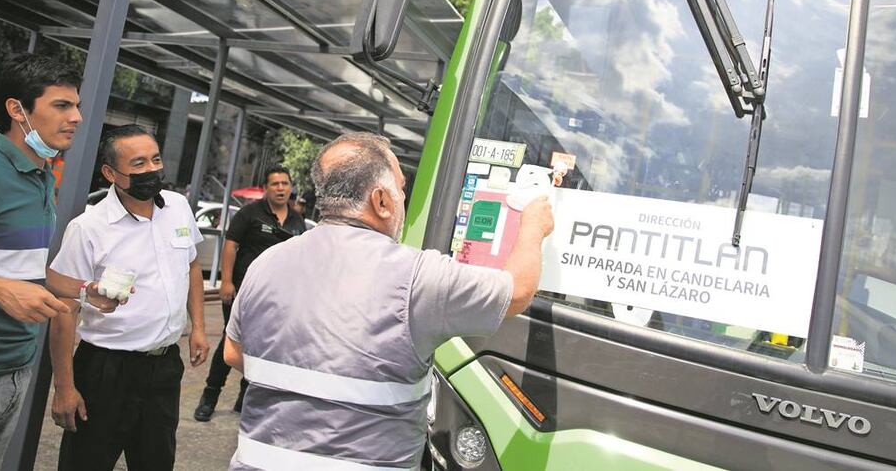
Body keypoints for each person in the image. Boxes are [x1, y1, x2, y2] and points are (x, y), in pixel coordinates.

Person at [223, 133, 554, 470]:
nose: (403, 200)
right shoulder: (418, 276)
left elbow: (233, 352)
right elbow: (517, 291)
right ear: (381, 201)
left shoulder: (267, 262)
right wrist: (532, 227)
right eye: (401, 189)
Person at [0, 53, 121, 471]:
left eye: (76, 106)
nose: (77, 117)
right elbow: (4, 283)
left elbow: (24, 272)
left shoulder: (41, 177)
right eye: (62, 106)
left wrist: (83, 290)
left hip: (14, 373)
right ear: (17, 110)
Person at [48, 124, 210, 471]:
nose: (151, 170)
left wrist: (198, 326)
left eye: (155, 159)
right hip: (106, 371)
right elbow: (64, 308)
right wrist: (64, 387)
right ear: (110, 173)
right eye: (137, 164)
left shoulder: (178, 207)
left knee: (155, 461)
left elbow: (193, 265)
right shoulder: (89, 227)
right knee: (86, 462)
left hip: (164, 367)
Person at [193, 165, 307, 421]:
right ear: (265, 188)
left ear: (290, 187)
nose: (280, 188)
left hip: (277, 297)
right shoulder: (250, 214)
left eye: (284, 184)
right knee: (230, 341)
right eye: (275, 184)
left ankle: (244, 397)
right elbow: (230, 246)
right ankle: (209, 397)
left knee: (262, 345)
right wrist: (226, 282)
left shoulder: (297, 221)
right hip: (242, 291)